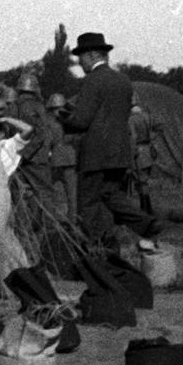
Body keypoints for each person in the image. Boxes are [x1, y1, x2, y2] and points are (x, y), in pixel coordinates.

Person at [61, 31, 147, 251]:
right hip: (119, 154)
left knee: (89, 206)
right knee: (109, 203)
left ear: (90, 55)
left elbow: (82, 121)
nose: (79, 62)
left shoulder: (92, 81)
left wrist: (64, 121)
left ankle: (96, 254)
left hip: (95, 155)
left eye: (81, 57)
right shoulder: (123, 81)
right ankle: (113, 253)